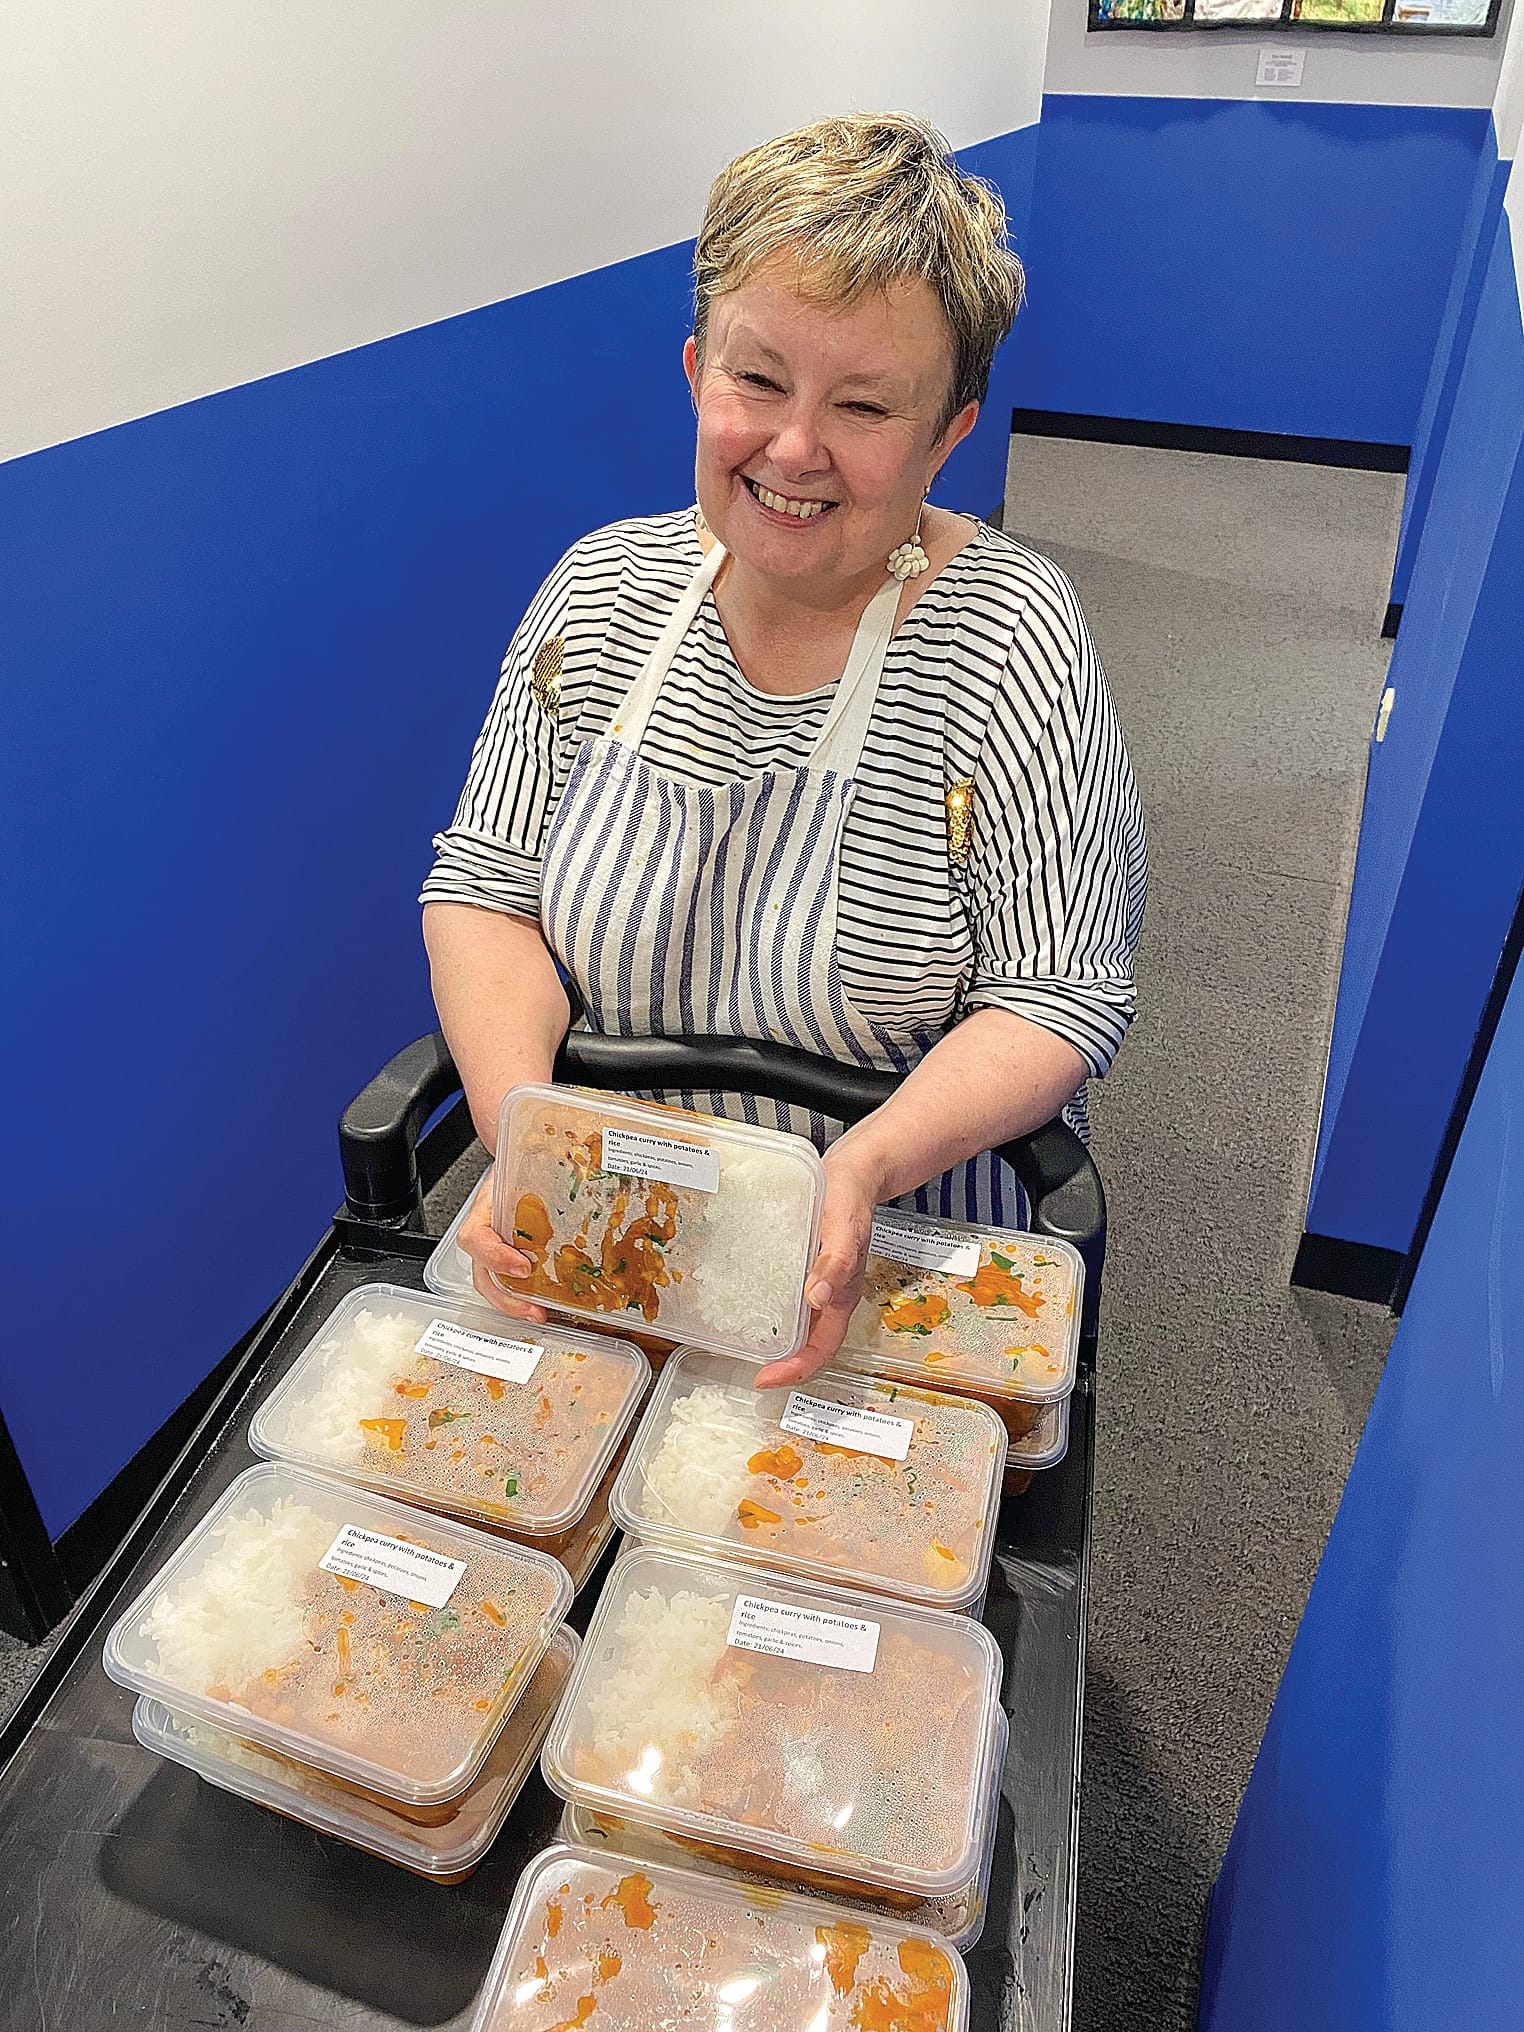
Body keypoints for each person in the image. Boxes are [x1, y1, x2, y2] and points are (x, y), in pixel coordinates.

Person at [421, 112, 1146, 1389]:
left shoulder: (1010, 643)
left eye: (865, 405)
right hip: (610, 1237)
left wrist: (857, 1170)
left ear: (950, 432)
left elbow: (1057, 995)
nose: (794, 448)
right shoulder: (601, 595)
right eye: (757, 381)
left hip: (889, 1250)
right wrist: (525, 1137)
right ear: (699, 368)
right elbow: (486, 892)